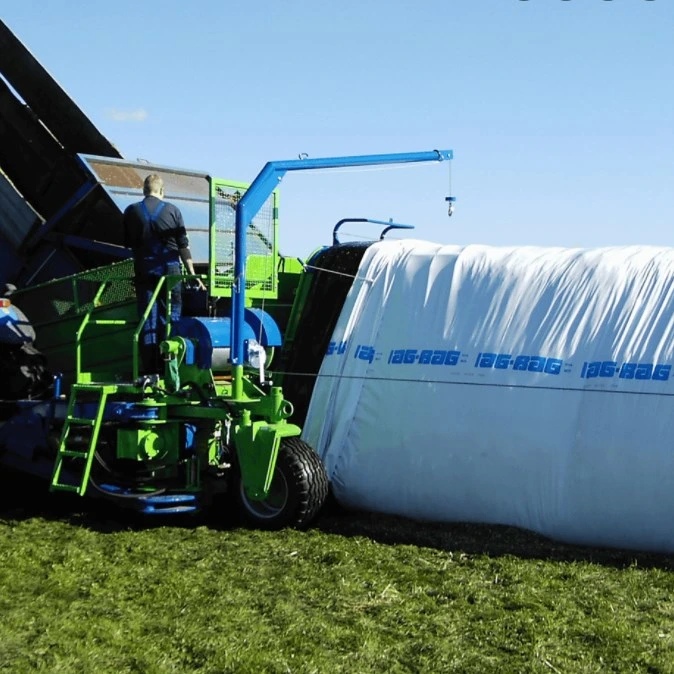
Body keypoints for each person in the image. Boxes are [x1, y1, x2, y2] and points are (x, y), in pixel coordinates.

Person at [123, 174, 205, 373]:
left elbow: (127, 245)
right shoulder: (173, 211)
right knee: (171, 317)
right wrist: (192, 274)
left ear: (143, 190)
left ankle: (151, 369)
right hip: (170, 272)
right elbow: (183, 247)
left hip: (144, 272)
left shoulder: (131, 211)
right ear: (162, 191)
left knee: (147, 319)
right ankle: (170, 365)